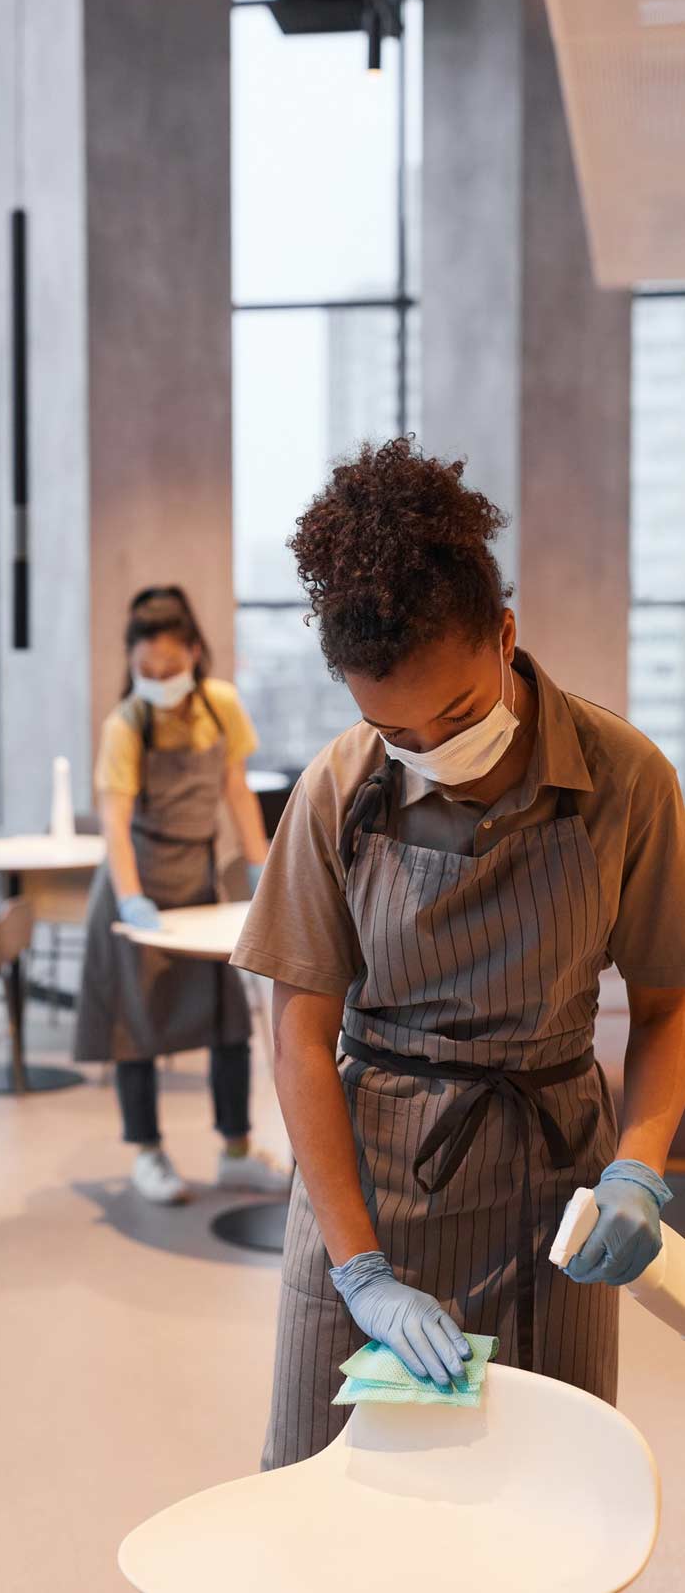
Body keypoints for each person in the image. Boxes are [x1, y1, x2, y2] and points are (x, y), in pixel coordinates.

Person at [231, 438, 685, 1470]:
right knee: (324, 1502)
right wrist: (359, 1271)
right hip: (370, 1187)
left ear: (507, 635)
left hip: (550, 1193)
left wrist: (636, 1165)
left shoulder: (624, 779)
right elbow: (298, 1036)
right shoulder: (340, 792)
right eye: (395, 728)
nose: (432, 749)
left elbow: (666, 1005)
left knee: (539, 1504)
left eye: (460, 714)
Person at [75, 585, 290, 1206]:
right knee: (136, 1025)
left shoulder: (220, 706)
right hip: (135, 882)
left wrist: (260, 871)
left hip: (197, 881)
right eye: (147, 669)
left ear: (195, 652)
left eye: (170, 667)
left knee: (229, 1018)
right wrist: (132, 899)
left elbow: (238, 793)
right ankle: (147, 1153)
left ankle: (237, 1152)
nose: (160, 678)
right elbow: (114, 821)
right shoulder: (127, 725)